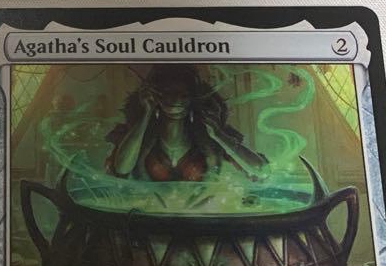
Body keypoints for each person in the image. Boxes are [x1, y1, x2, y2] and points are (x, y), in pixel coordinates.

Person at [107, 65, 266, 182]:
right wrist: (146, 114)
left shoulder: (211, 133)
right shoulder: (138, 133)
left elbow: (260, 170)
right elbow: (121, 169)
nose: (175, 100)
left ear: (192, 98)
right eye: (168, 93)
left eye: (183, 95)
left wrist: (219, 135)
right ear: (156, 95)